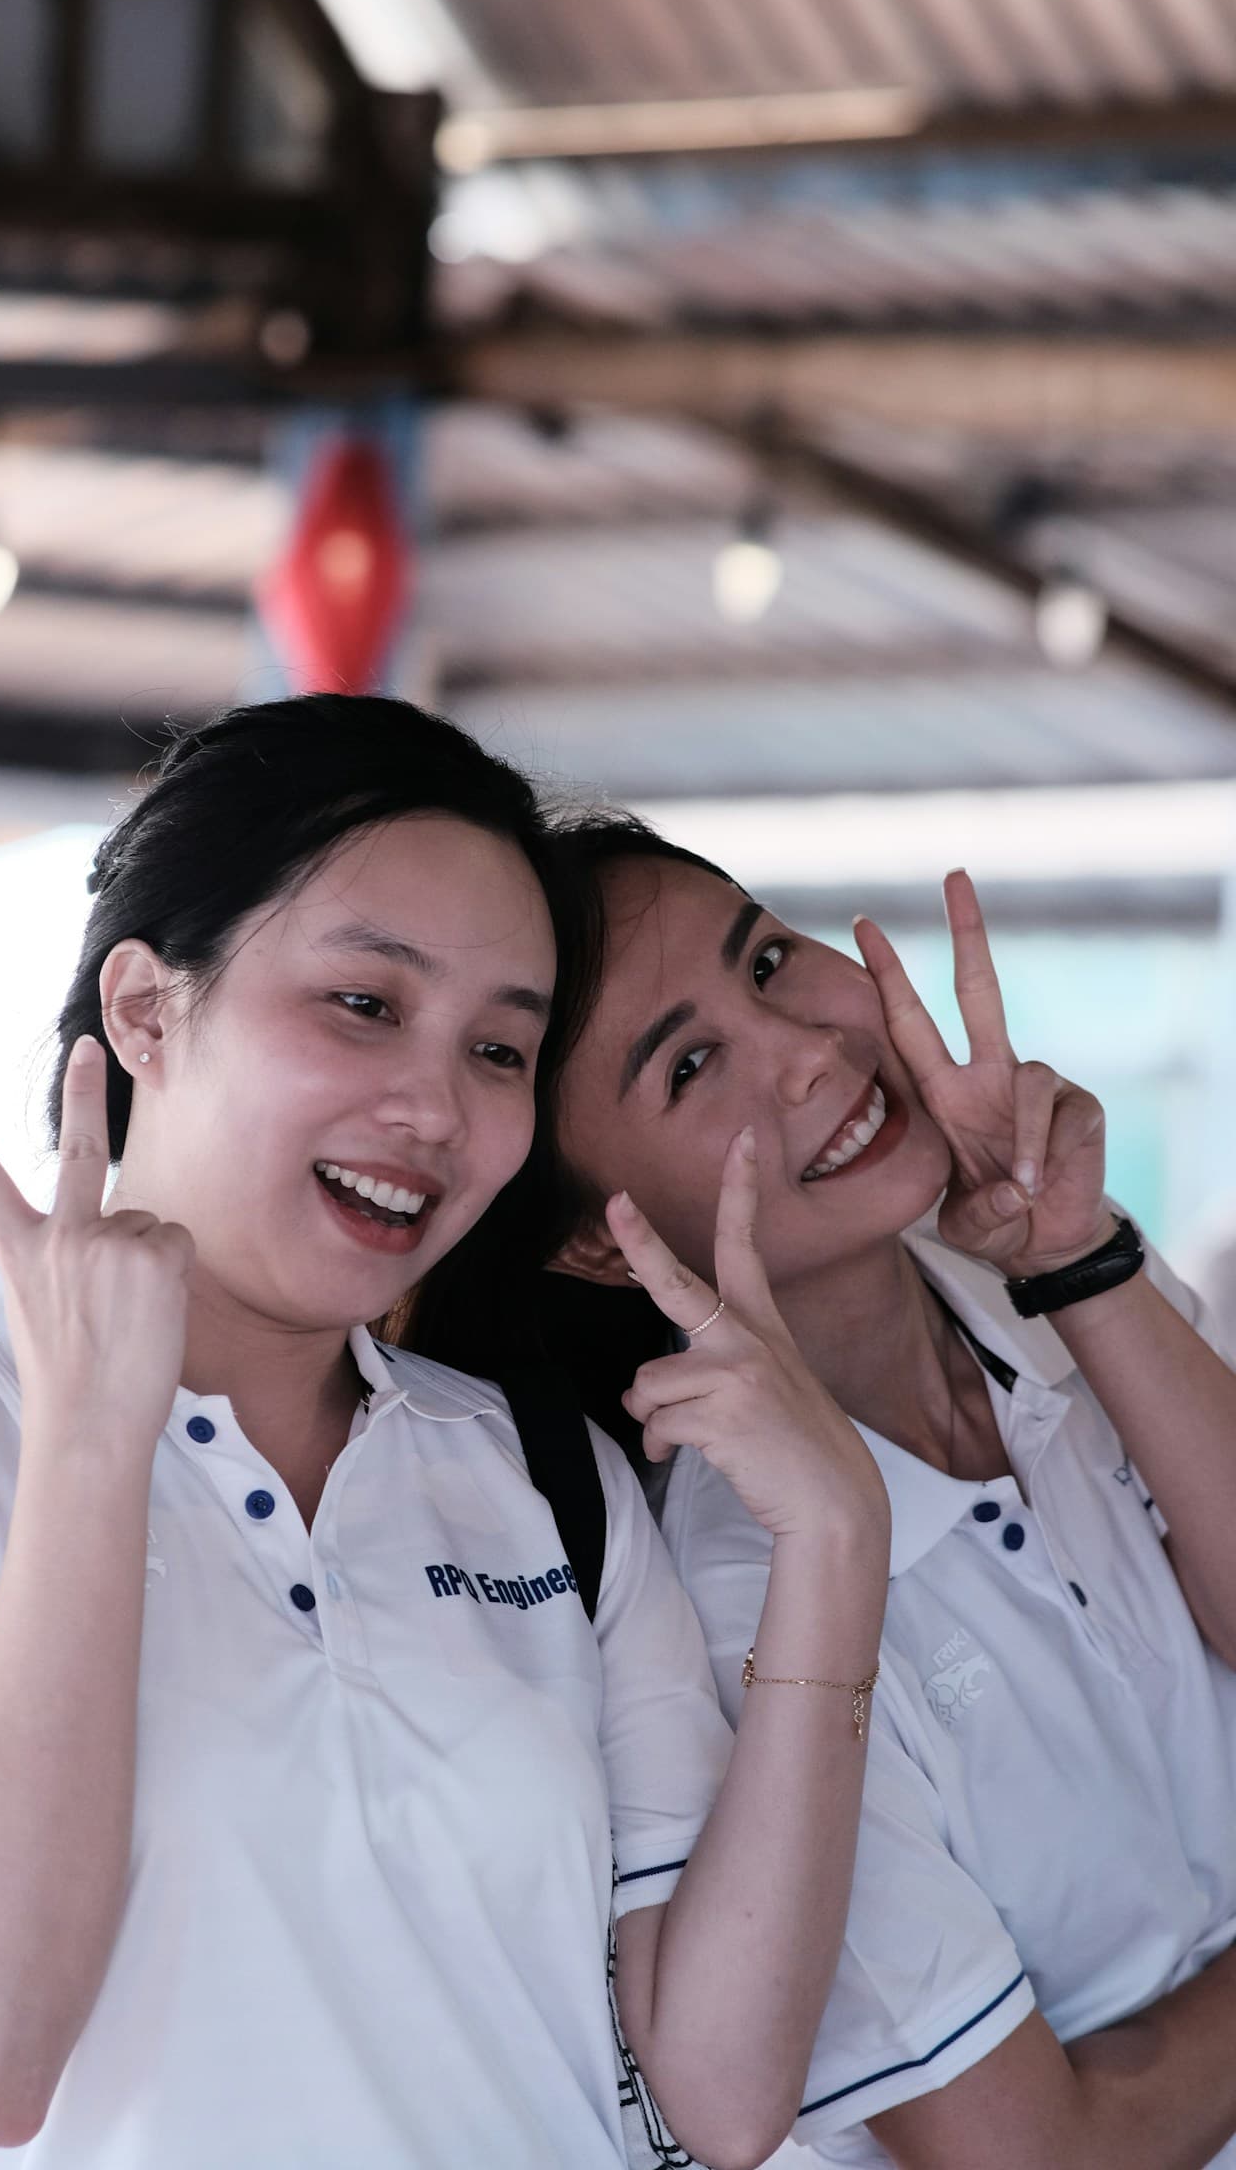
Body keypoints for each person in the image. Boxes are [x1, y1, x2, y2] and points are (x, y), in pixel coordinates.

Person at [0, 696, 891, 2170]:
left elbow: (719, 2092)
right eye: (365, 1005)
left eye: (501, 1052)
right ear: (144, 1010)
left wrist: (839, 1544)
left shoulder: (535, 1476)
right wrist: (91, 1441)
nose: (435, 1106)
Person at [411, 816, 1236, 2170]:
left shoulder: (1046, 1308)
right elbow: (1034, 2156)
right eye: (691, 1065)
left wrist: (1081, 1259)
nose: (808, 1048)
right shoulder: (735, 1602)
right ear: (590, 1242)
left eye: (772, 958)